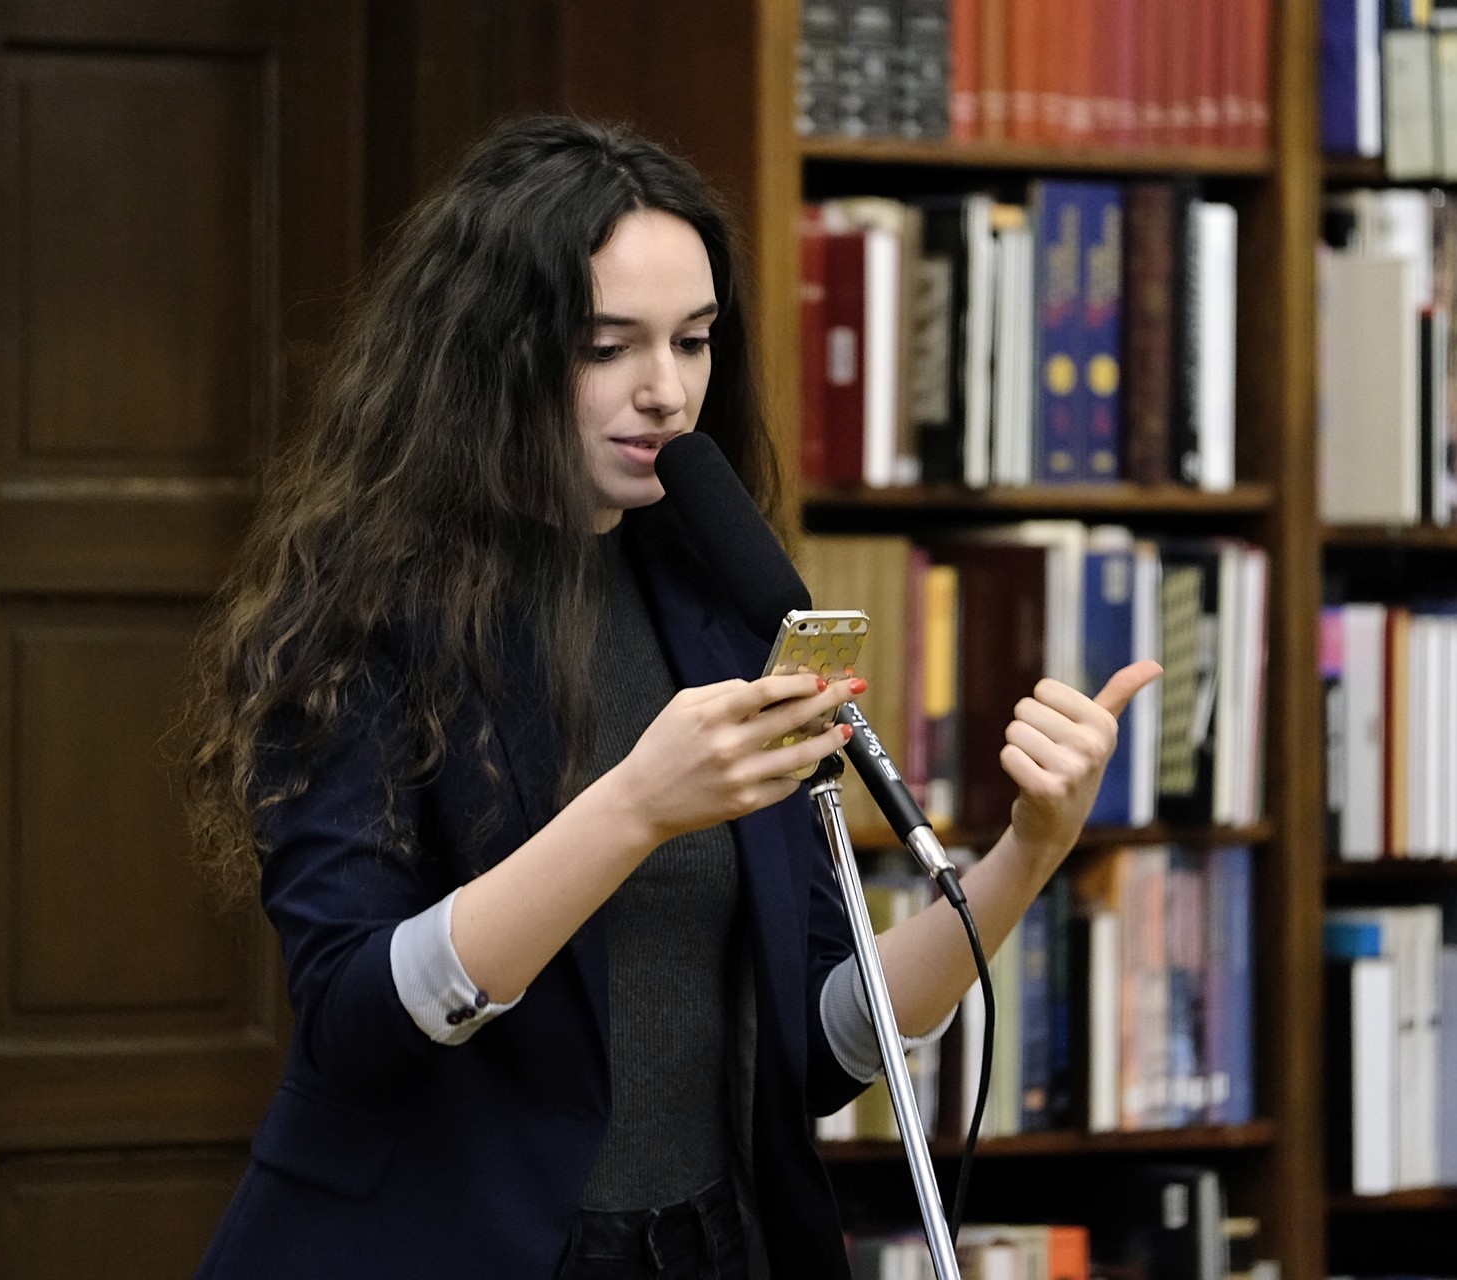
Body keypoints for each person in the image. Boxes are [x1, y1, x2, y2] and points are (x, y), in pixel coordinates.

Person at [182, 115, 1159, 1280]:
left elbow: (822, 1047)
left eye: (694, 341)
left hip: (704, 1243)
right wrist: (635, 806)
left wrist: (1028, 852)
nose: (665, 391)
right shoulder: (364, 613)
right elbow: (359, 1020)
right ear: (493, 351)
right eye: (609, 346)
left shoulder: (719, 603)